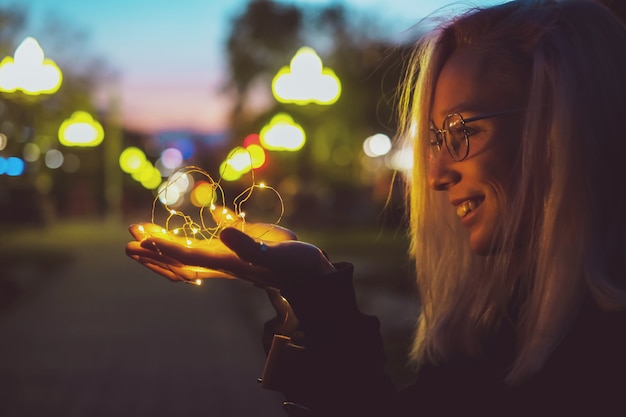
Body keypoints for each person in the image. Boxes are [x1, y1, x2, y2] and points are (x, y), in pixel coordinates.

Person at [126, 0, 626, 415]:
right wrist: (309, 293)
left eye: (464, 132)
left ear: (570, 123)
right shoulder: (494, 324)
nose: (434, 176)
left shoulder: (602, 355)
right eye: (434, 139)